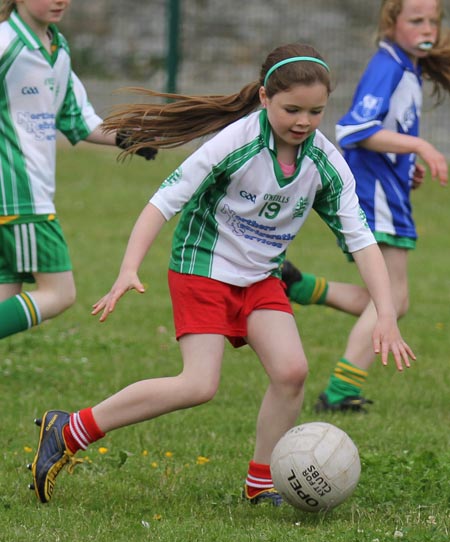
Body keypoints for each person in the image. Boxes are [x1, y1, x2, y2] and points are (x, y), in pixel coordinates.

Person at [29, 42, 415, 506]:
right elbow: (163, 201)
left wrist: (386, 313)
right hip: (203, 268)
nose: (304, 122)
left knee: (292, 371)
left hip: (259, 278)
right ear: (264, 99)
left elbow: (363, 241)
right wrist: (129, 267)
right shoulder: (236, 143)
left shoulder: (326, 163)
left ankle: (260, 483)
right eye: (292, 109)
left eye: (315, 112)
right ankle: (69, 429)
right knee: (198, 385)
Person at [282, 0, 450, 413]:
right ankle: (339, 392)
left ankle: (300, 287)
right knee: (390, 299)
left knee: (393, 300)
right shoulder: (388, 66)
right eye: (416, 20)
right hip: (375, 193)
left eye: (433, 20)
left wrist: (405, 162)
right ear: (391, 24)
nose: (426, 28)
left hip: (389, 187)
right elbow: (355, 128)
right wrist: (419, 145)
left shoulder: (406, 66)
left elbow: (384, 132)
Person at [0, 0, 156, 341]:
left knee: (5, 303)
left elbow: (76, 118)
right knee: (59, 293)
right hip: (19, 198)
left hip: (25, 197)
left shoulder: (57, 49)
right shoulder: (6, 43)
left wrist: (127, 138)